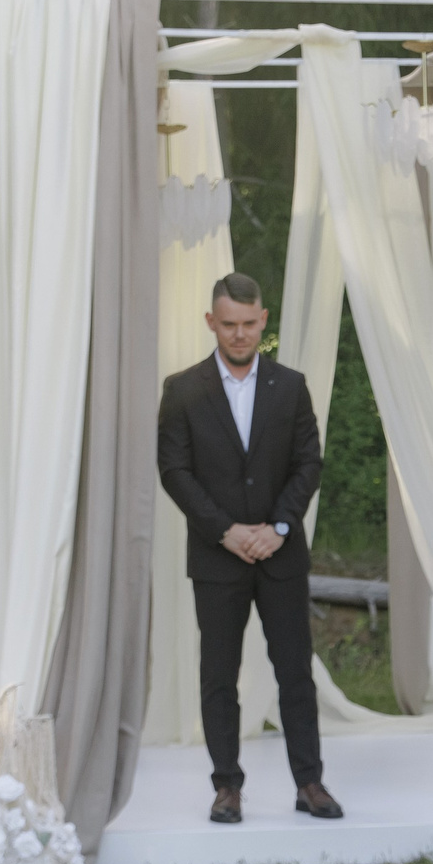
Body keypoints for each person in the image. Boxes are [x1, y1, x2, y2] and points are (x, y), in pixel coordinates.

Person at [157, 273, 341, 825]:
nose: (239, 334)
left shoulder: (291, 386)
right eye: (228, 324)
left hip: (281, 554)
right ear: (212, 323)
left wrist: (278, 527)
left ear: (263, 320)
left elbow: (309, 462)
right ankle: (226, 787)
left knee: (295, 673)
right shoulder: (183, 389)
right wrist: (226, 531)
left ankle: (309, 782)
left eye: (248, 324)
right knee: (219, 674)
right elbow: (175, 471)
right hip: (217, 558)